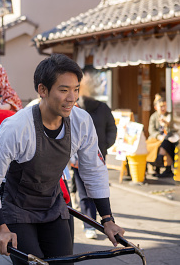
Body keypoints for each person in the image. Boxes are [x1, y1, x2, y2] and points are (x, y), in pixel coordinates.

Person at [0, 54, 124, 263]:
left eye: (76, 90)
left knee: (64, 261)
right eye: (63, 90)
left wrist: (107, 219)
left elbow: (93, 169)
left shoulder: (81, 121)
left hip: (53, 206)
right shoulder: (17, 127)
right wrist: (1, 229)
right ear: (42, 90)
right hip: (18, 208)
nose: (72, 97)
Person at [72, 71, 117, 239]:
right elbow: (112, 129)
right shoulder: (75, 108)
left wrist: (103, 146)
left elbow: (111, 129)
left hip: (95, 155)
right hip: (80, 156)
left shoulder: (100, 108)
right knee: (86, 192)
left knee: (90, 191)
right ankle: (90, 223)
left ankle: (92, 224)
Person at [148, 94, 175, 177]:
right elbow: (151, 130)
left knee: (165, 144)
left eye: (164, 106)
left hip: (167, 139)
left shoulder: (169, 116)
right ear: (156, 107)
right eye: (161, 106)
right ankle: (153, 166)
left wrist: (166, 124)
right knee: (149, 145)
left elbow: (173, 130)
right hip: (157, 138)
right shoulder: (154, 117)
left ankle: (166, 167)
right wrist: (158, 136)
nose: (163, 108)